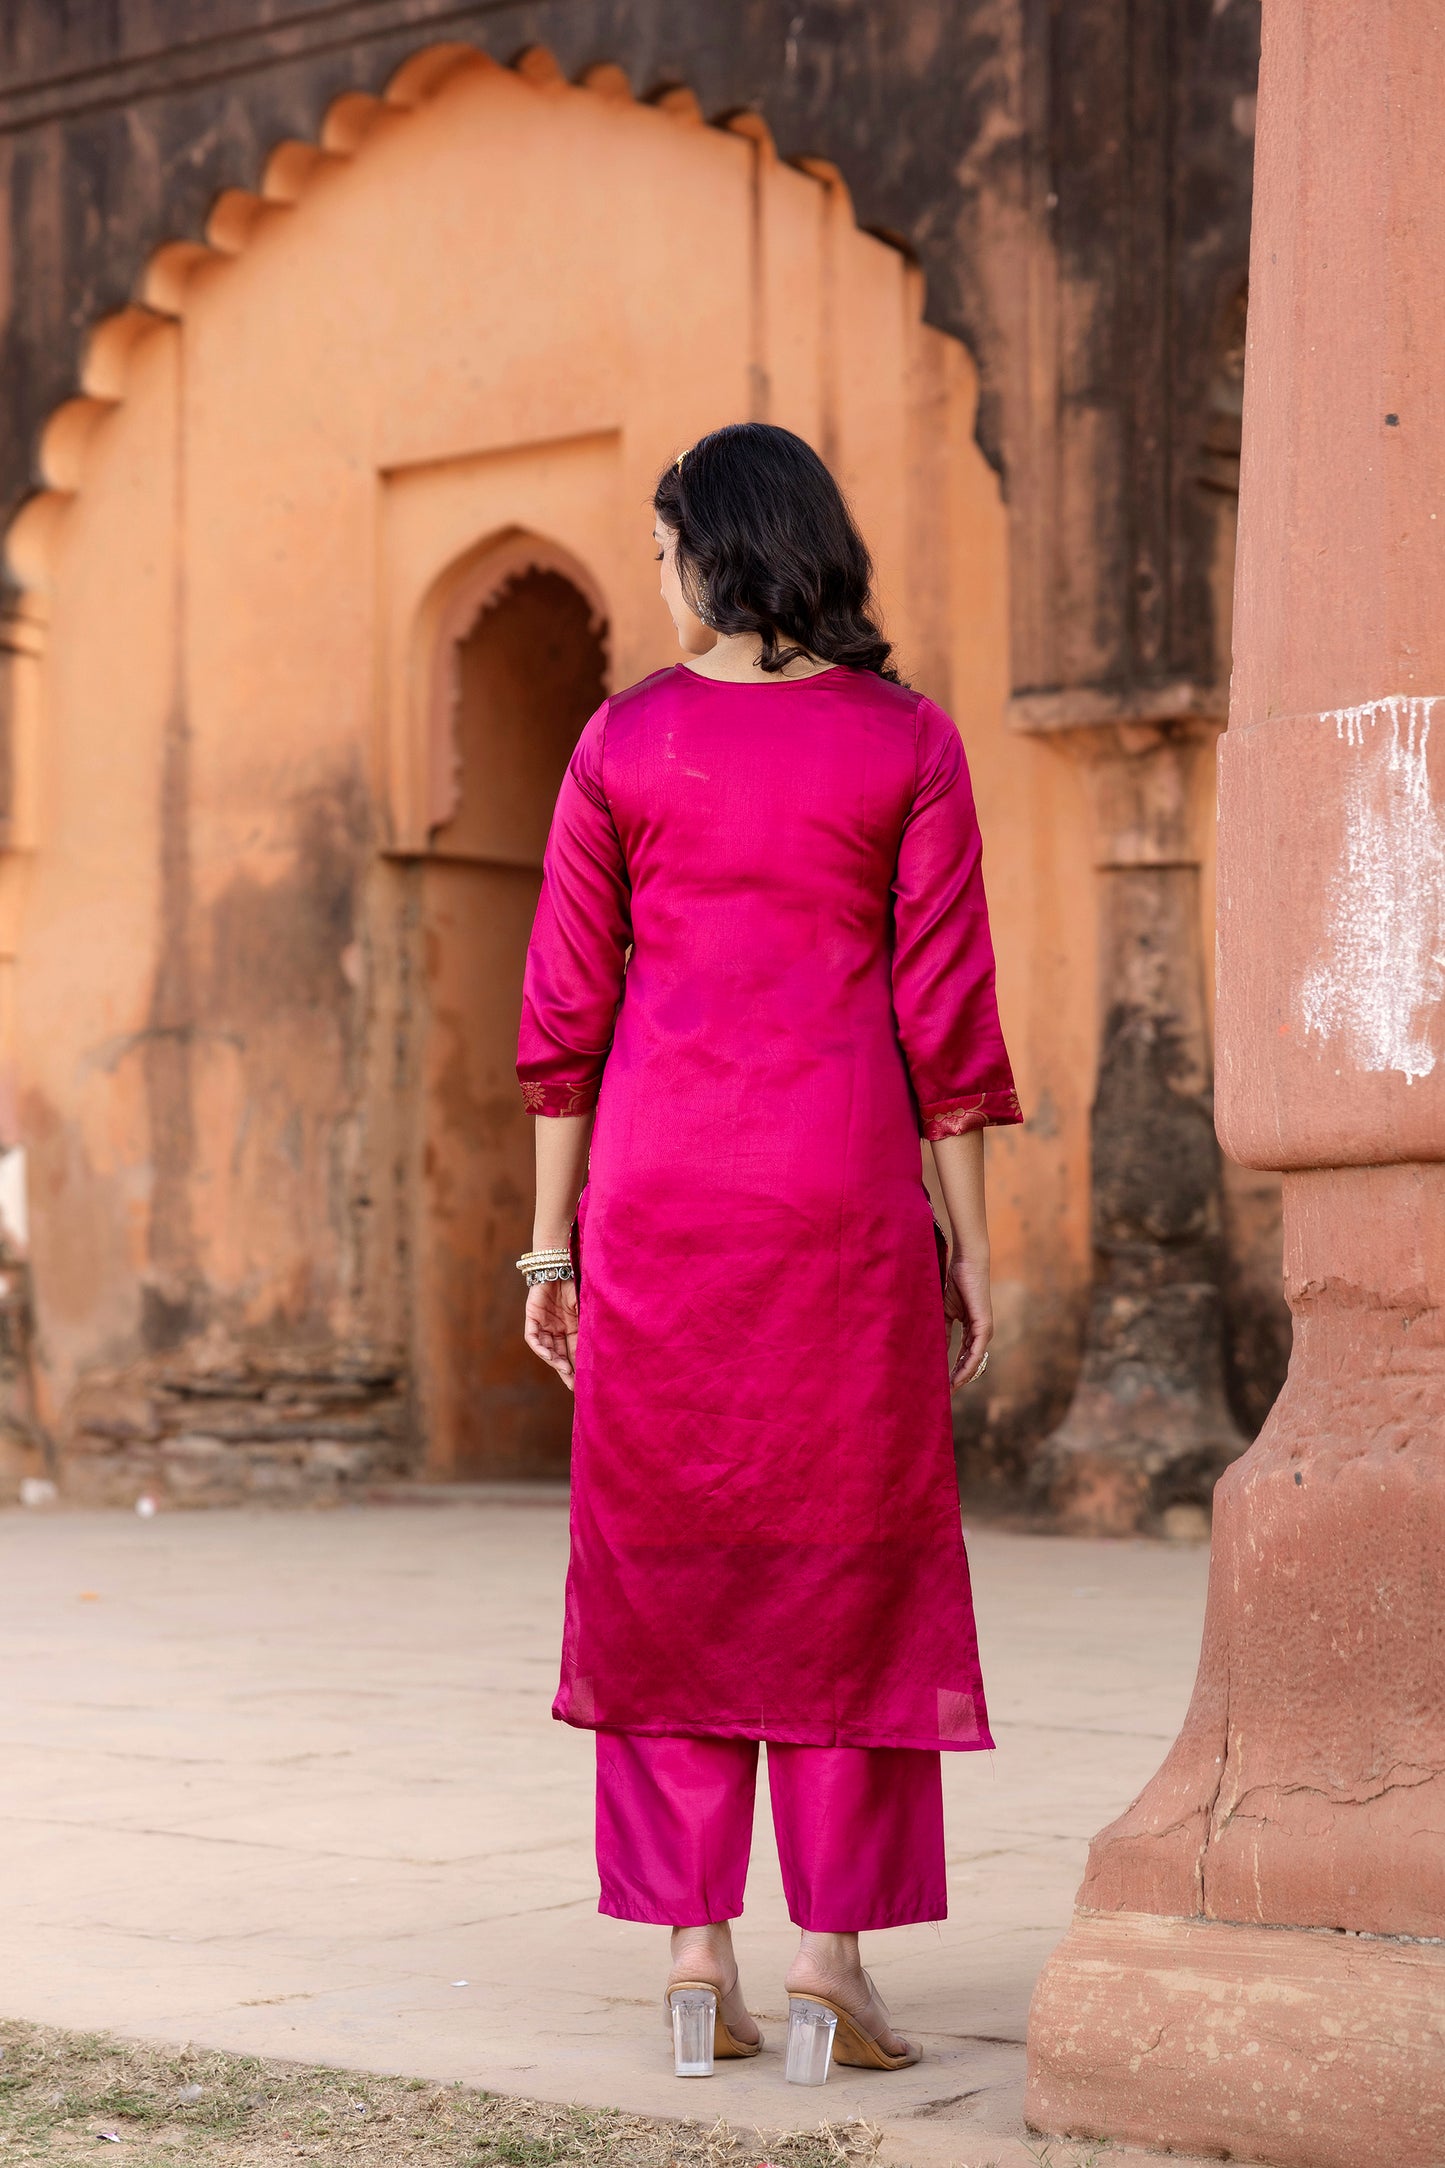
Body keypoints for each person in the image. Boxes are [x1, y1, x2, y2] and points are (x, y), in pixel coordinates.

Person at [515, 422, 1020, 2083]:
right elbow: (943, 1021)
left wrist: (546, 1252)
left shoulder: (619, 744)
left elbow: (563, 1022)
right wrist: (967, 1250)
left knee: (671, 1563)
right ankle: (827, 1966)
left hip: (658, 1205)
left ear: (709, 553)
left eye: (660, 554)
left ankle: (688, 1956)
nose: (655, 586)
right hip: (840, 1200)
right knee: (845, 1568)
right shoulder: (905, 743)